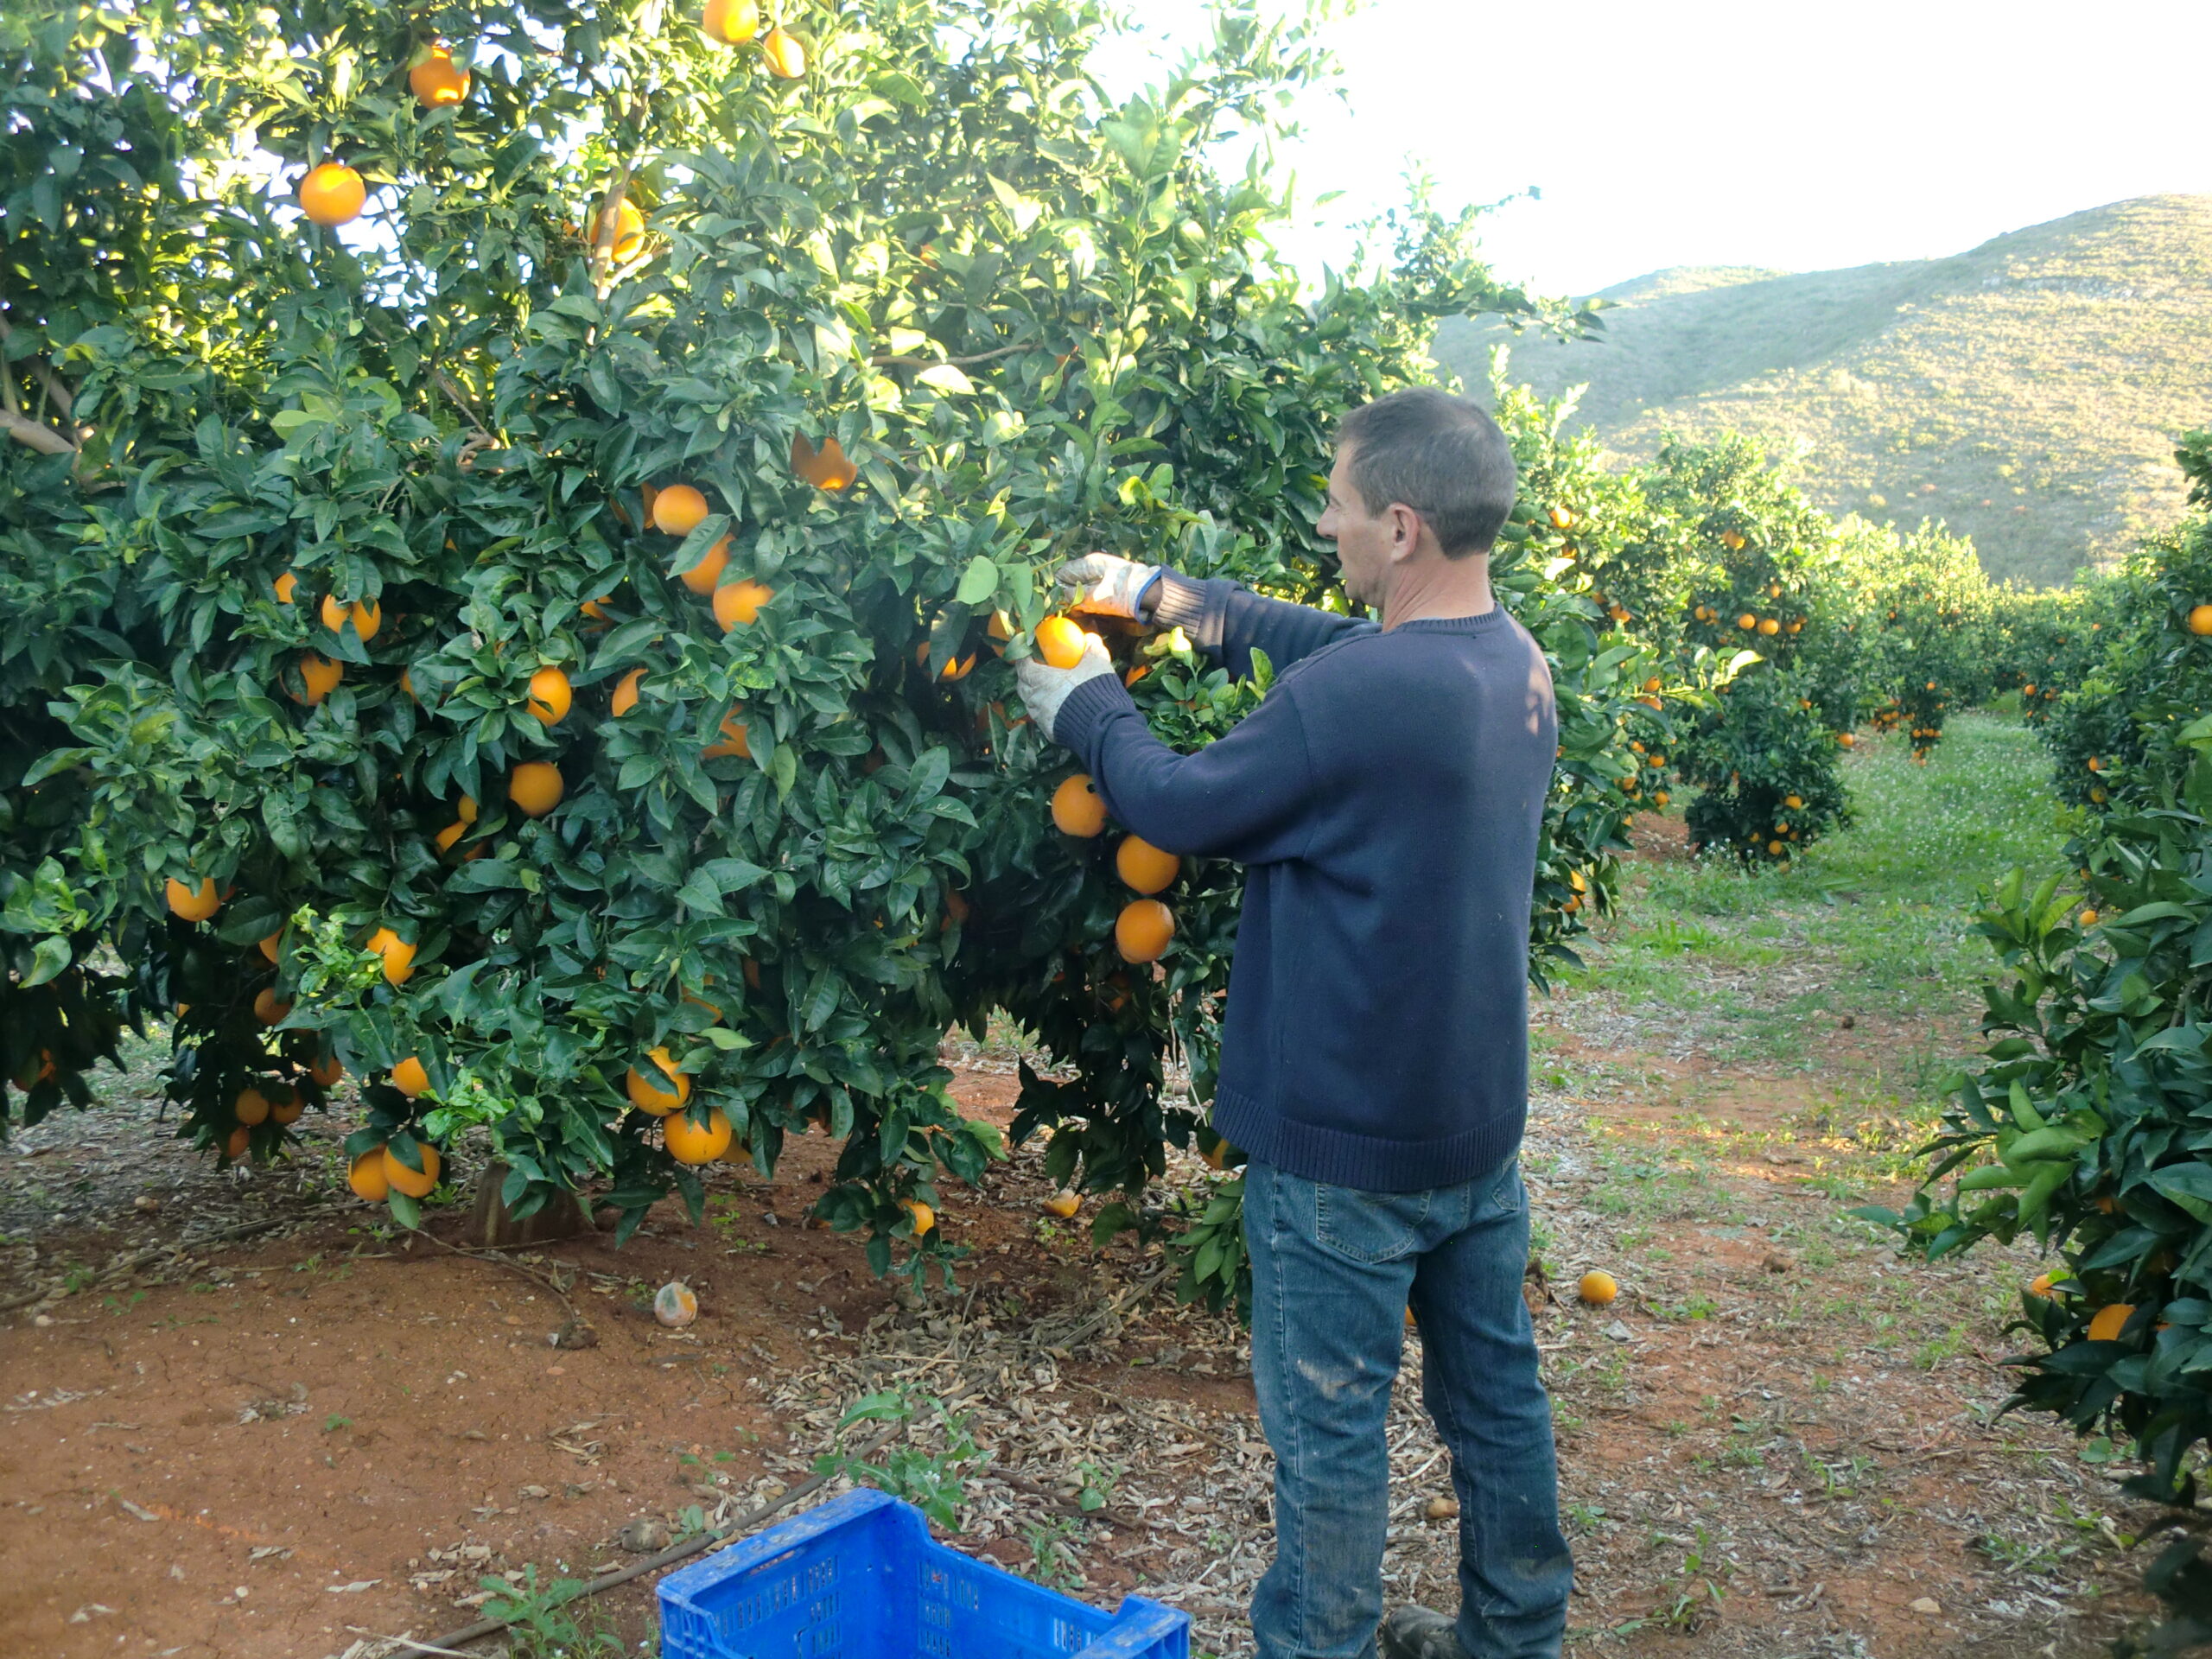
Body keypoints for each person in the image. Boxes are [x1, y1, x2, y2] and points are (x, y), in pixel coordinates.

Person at [1012, 386, 1574, 1659]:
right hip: (1471, 1129)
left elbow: (1182, 806)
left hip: (1341, 1147)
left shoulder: (1361, 695)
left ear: (1401, 526)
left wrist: (1082, 701)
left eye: (1337, 505)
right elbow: (1313, 640)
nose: (1323, 525)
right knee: (1495, 1400)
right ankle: (1516, 1638)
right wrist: (1161, 592)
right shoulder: (1507, 661)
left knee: (1330, 1431)